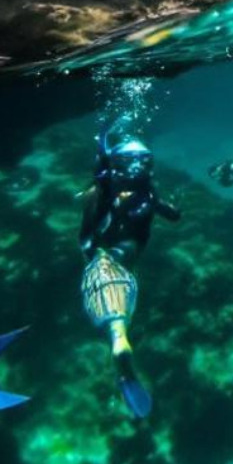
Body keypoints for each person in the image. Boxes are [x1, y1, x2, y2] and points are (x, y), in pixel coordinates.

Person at [78, 120, 181, 418]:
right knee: (116, 313)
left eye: (141, 162)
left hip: (110, 258)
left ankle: (119, 340)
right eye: (130, 162)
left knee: (115, 308)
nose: (136, 169)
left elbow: (85, 238)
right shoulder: (114, 192)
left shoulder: (121, 191)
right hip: (111, 258)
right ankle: (119, 341)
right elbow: (170, 215)